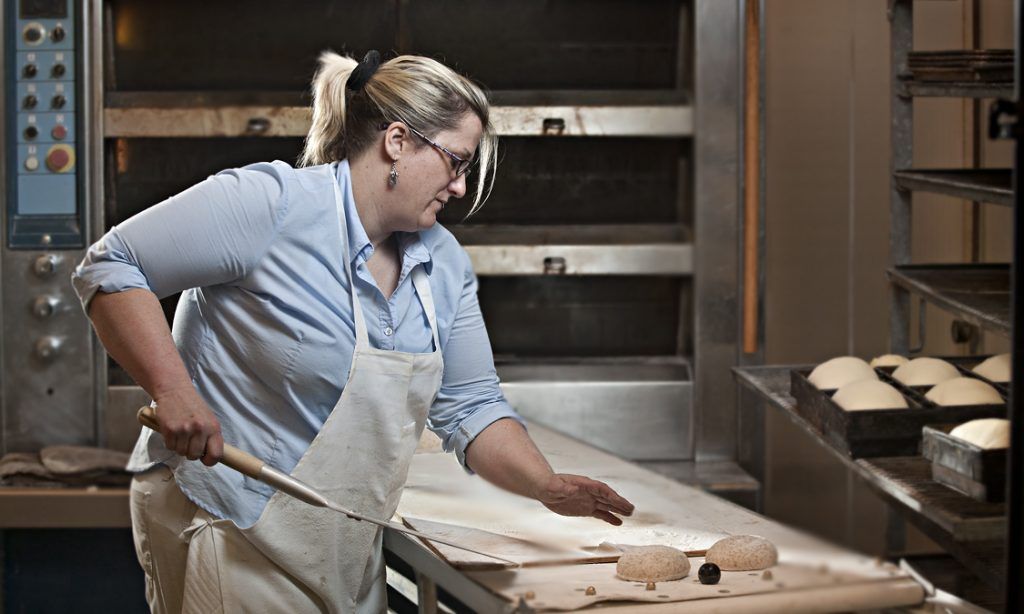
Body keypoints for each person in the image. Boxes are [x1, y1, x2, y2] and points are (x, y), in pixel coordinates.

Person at [72, 50, 635, 613]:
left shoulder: (443, 263)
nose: (460, 188)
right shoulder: (270, 206)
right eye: (456, 162)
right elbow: (113, 264)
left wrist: (543, 484)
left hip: (343, 535)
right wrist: (173, 390)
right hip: (229, 523)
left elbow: (470, 406)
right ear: (398, 141)